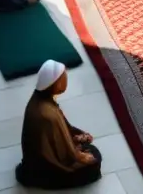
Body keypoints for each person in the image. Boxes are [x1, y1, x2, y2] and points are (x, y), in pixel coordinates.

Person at [15, 60, 102, 189]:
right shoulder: (47, 115)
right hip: (46, 165)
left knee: (90, 150)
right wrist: (79, 156)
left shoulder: (39, 98)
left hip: (38, 158)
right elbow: (63, 150)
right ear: (54, 83)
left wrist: (76, 137)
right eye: (63, 77)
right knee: (94, 163)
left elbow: (61, 133)